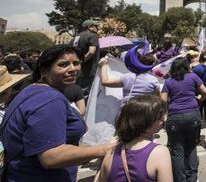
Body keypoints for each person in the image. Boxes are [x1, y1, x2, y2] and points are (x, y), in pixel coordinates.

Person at [0, 45, 114, 182]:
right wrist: (106, 149)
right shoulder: (50, 99)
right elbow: (51, 157)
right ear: (44, 71)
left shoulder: (33, 90)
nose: (72, 69)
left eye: (76, 63)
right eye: (63, 64)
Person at [96, 95, 173, 182]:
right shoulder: (160, 152)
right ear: (146, 121)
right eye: (160, 117)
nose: (163, 119)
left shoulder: (111, 153)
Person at [161, 57, 206, 182]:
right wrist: (199, 98)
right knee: (191, 147)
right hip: (193, 114)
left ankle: (180, 179)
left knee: (177, 150)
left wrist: (166, 111)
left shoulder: (169, 81)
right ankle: (192, 178)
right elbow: (205, 91)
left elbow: (163, 99)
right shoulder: (193, 77)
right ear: (187, 66)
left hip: (175, 116)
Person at [72, 19, 100, 96]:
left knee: (75, 93)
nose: (97, 28)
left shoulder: (76, 37)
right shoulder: (93, 36)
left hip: (75, 70)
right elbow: (91, 51)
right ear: (90, 27)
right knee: (85, 95)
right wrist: (81, 61)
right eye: (95, 26)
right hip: (88, 71)